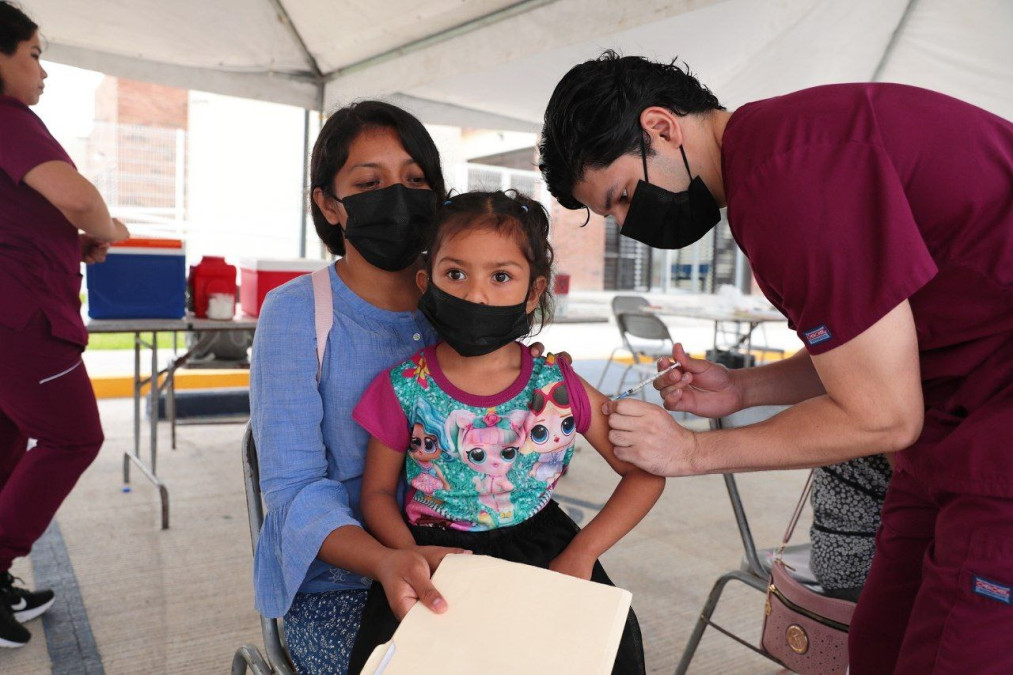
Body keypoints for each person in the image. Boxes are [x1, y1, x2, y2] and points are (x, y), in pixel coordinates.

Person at [538, 51, 1012, 673]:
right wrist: (742, 388)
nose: (630, 225)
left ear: (660, 127)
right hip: (956, 417)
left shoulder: (788, 181)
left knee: (957, 650)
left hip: (994, 429)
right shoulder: (781, 152)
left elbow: (883, 417)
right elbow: (871, 354)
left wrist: (691, 452)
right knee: (880, 641)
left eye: (623, 196)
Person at [249, 104, 556, 673]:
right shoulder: (295, 313)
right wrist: (388, 560)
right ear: (329, 204)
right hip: (346, 582)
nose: (397, 197)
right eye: (370, 183)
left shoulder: (463, 300)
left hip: (477, 556)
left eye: (416, 180)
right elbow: (294, 489)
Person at [347, 190, 662, 674]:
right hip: (436, 563)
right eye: (456, 273)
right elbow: (375, 494)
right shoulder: (404, 387)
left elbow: (646, 473)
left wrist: (583, 553)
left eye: (500, 277)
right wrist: (410, 554)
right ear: (426, 282)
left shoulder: (557, 385)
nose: (476, 295)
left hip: (545, 556)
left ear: (533, 292)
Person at [0, 1, 129, 649]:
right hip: (21, 320)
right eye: (33, 54)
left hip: (12, 308)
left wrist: (69, 245)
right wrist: (106, 227)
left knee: (8, 442)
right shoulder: (9, 118)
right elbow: (78, 197)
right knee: (73, 437)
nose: (42, 70)